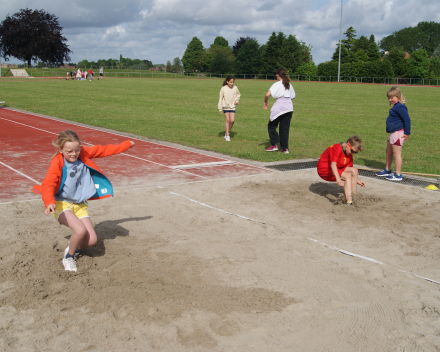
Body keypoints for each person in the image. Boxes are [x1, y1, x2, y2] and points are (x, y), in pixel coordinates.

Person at [31, 130, 134, 272]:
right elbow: (49, 184)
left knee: (91, 240)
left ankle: (72, 245)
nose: (74, 154)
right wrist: (49, 201)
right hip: (61, 203)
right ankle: (69, 257)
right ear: (60, 150)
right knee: (80, 230)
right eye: (69, 151)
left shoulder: (83, 153)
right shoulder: (57, 163)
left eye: (77, 150)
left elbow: (103, 150)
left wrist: (126, 145)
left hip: (79, 205)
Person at [317, 136, 366, 205]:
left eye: (355, 152)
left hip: (336, 167)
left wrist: (357, 180)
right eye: (352, 151)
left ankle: (353, 196)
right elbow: (333, 165)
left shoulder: (348, 152)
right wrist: (338, 179)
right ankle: (349, 202)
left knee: (355, 171)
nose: (353, 154)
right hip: (324, 169)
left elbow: (351, 170)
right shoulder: (337, 148)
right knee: (347, 176)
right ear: (348, 145)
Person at [375, 87, 411, 181]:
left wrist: (407, 133)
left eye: (392, 98)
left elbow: (407, 120)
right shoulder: (395, 107)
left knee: (396, 153)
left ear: (397, 96)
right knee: (388, 151)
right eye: (389, 98)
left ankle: (398, 175)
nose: (390, 100)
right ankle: (387, 169)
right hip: (393, 133)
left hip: (398, 133)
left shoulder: (400, 107)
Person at [263, 67, 295, 153]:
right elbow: (292, 97)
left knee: (271, 125)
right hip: (289, 107)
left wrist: (265, 102)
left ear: (277, 75)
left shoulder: (277, 84)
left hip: (280, 106)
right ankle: (285, 148)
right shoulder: (289, 84)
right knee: (284, 129)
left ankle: (274, 145)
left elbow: (267, 94)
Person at [218, 75, 240, 141]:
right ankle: (227, 136)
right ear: (227, 81)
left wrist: (236, 100)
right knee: (227, 120)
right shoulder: (223, 88)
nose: (232, 83)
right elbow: (220, 98)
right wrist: (220, 108)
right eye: (230, 82)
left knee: (232, 121)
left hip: (232, 106)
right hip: (225, 106)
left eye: (233, 82)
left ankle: (227, 132)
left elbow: (238, 94)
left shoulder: (235, 88)